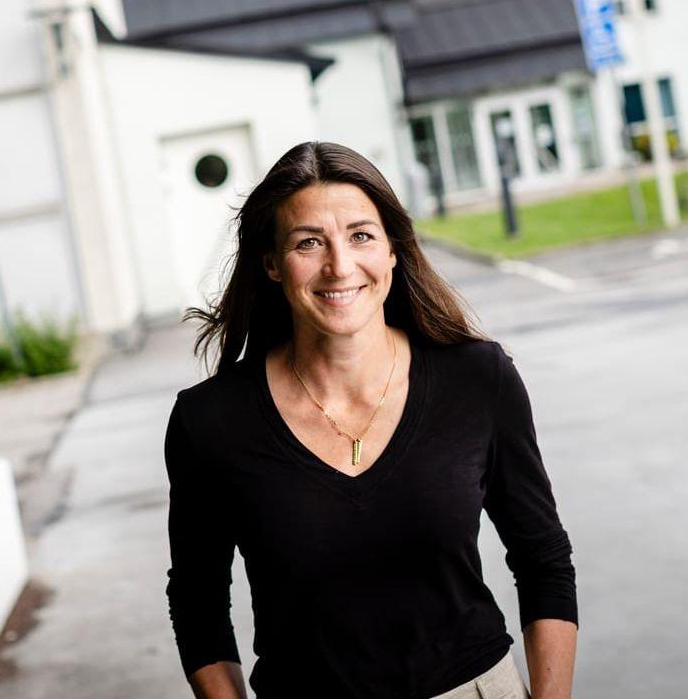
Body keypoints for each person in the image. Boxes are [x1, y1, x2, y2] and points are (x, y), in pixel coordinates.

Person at [165, 141, 578, 699]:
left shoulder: (478, 378)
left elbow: (543, 559)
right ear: (272, 263)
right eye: (309, 242)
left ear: (392, 252)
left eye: (361, 236)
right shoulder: (210, 421)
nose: (340, 266)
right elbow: (197, 602)